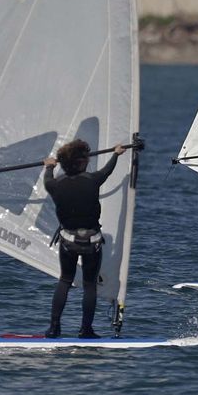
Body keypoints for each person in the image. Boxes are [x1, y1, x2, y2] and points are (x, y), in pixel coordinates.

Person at [41, 139, 125, 338]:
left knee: (65, 280)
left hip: (67, 241)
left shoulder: (53, 184)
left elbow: (48, 178)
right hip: (92, 242)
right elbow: (108, 170)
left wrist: (49, 167)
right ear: (81, 163)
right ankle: (85, 330)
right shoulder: (93, 180)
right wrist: (116, 153)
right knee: (89, 285)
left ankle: (54, 328)